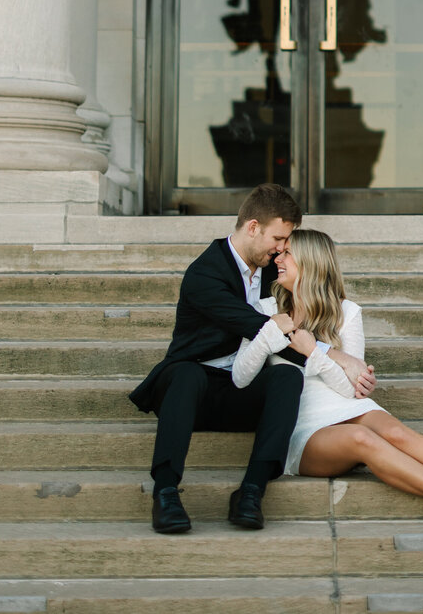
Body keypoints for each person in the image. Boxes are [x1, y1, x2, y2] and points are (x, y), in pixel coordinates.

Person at [232, 227, 423, 524]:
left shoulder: (346, 312)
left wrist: (316, 352)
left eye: (287, 253)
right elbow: (240, 375)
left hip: (345, 405)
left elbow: (352, 389)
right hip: (301, 426)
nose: (277, 259)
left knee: (397, 433)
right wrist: (269, 332)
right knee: (361, 438)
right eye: (280, 252)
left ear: (311, 262)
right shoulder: (264, 308)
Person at [129, 182, 310, 532]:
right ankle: (165, 490)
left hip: (241, 388)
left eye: (287, 241)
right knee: (186, 374)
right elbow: (256, 326)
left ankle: (251, 491)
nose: (283, 249)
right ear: (253, 228)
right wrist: (301, 340)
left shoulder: (275, 270)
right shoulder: (205, 273)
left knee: (288, 377)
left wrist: (336, 357)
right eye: (277, 239)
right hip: (190, 393)